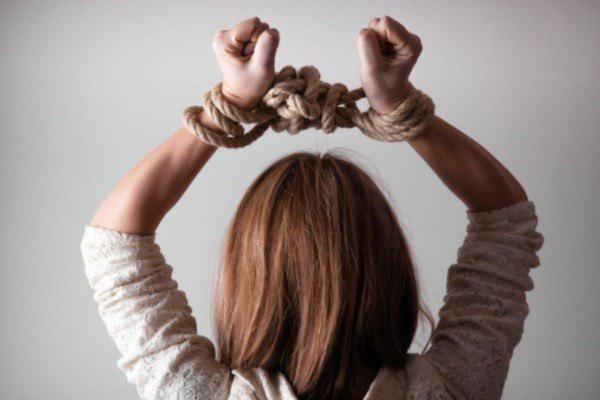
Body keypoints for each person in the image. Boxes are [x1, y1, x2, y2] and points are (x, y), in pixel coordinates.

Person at [81, 16, 543, 400]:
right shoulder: (447, 390)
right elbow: (505, 220)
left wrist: (231, 104)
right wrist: (398, 105)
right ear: (389, 270)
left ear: (246, 282)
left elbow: (114, 244)